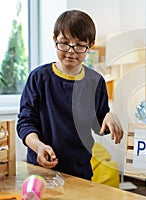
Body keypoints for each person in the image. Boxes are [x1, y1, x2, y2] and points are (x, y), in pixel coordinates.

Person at [17, 9, 124, 180]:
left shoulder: (95, 81)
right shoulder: (39, 78)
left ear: (91, 45)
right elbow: (25, 123)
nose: (71, 51)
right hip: (41, 171)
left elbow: (99, 126)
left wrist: (109, 116)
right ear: (54, 40)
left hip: (79, 171)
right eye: (65, 43)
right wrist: (38, 147)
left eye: (80, 45)